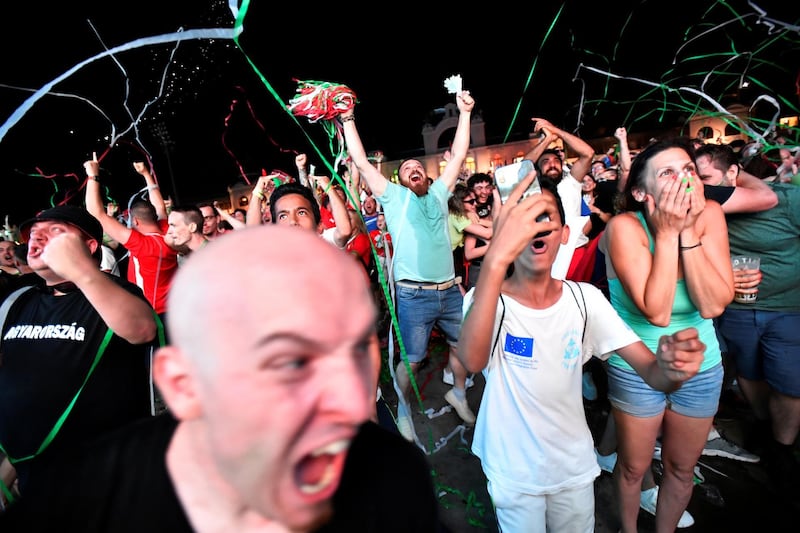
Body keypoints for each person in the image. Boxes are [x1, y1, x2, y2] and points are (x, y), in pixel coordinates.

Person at [0, 225, 443, 533]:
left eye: (355, 350)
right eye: (288, 362)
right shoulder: (94, 504)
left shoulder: (390, 469)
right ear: (184, 387)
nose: (346, 397)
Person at [456, 170, 706, 533]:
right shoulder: (485, 301)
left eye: (545, 218)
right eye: (523, 220)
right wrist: (494, 261)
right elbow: (473, 360)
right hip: (513, 470)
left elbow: (653, 374)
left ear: (564, 234)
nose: (535, 229)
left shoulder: (584, 299)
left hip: (572, 466)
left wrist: (672, 366)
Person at [598, 137, 734, 532]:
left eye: (689, 169)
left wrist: (689, 232)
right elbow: (656, 311)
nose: (684, 179)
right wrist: (668, 233)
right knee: (634, 466)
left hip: (702, 365)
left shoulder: (709, 215)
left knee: (681, 466)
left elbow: (712, 305)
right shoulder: (625, 227)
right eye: (668, 173)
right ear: (641, 192)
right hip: (639, 364)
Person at [340, 88, 477, 441]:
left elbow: (459, 154)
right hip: (414, 296)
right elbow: (360, 161)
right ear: (400, 180)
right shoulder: (394, 198)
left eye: (418, 167)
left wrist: (463, 114)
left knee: (464, 346)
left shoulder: (439, 194)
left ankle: (458, 392)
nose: (414, 170)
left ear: (427, 176)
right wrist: (348, 120)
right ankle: (403, 408)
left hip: (449, 291)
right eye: (407, 169)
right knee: (413, 361)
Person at [0, 205, 157, 505]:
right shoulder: (17, 301)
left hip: (103, 478)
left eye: (55, 231)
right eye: (34, 233)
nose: (37, 237)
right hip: (31, 472)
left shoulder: (114, 293)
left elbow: (142, 330)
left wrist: (81, 271)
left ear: (89, 246)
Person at [695, 142, 800, 493]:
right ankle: (762, 425)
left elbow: (767, 197)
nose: (700, 185)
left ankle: (781, 448)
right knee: (750, 374)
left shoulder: (785, 200)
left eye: (706, 177)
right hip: (735, 310)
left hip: (787, 309)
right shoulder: (702, 209)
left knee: (790, 385)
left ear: (733, 174)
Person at [84, 157, 179, 323]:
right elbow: (159, 207)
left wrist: (93, 176)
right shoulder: (167, 231)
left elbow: (95, 213)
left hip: (153, 313)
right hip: (174, 306)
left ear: (135, 221)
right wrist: (146, 174)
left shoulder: (141, 244)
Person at [524, 117, 595, 280]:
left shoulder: (571, 182)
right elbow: (522, 167)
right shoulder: (535, 189)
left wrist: (555, 131)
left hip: (577, 251)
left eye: (556, 161)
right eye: (546, 161)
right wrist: (547, 139)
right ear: (538, 168)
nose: (553, 164)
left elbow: (588, 153)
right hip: (550, 255)